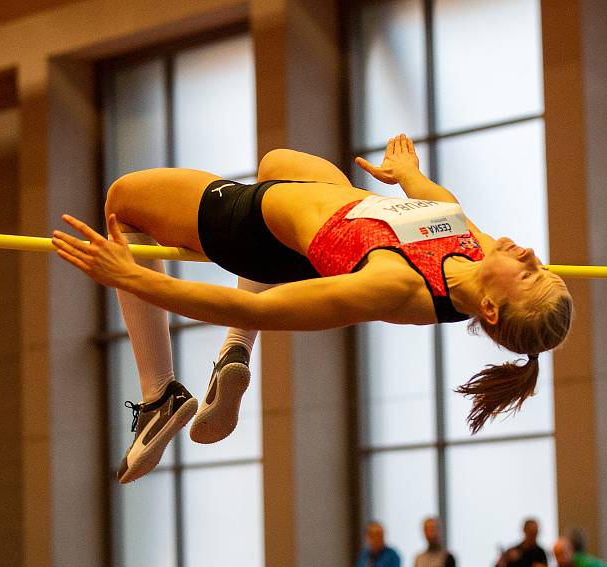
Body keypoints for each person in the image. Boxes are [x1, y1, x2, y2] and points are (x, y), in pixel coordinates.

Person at [52, 134, 573, 483]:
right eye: (542, 266)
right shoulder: (476, 249)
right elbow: (435, 203)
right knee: (279, 160)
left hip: (256, 230)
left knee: (123, 199)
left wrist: (132, 277)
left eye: (528, 275)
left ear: (488, 306)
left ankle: (160, 393)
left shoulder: (393, 285)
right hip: (332, 206)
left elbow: (257, 307)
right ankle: (233, 355)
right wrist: (407, 172)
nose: (530, 254)